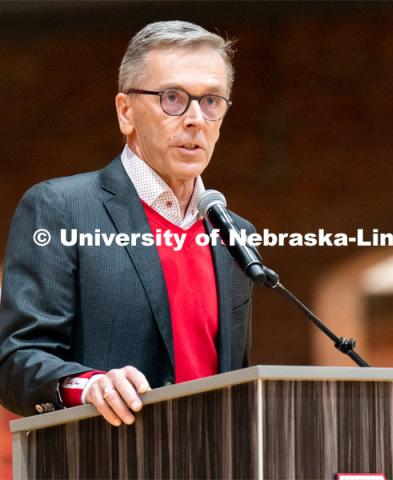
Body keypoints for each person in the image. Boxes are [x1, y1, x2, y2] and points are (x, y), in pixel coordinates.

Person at [0, 21, 254, 427]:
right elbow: (15, 363)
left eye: (211, 101)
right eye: (172, 98)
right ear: (125, 111)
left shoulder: (234, 233)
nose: (195, 119)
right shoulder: (61, 209)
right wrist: (88, 386)